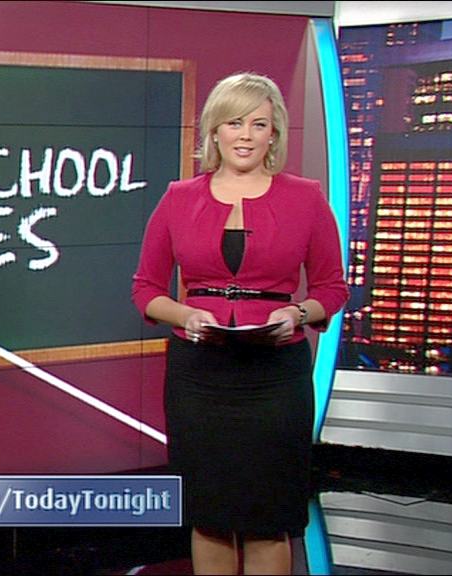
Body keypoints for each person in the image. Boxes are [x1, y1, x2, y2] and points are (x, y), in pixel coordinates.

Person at [131, 72, 349, 575]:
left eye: (258, 124)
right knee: (209, 516)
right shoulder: (178, 197)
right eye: (234, 123)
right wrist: (187, 315)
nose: (245, 136)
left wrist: (296, 313)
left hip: (274, 377)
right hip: (199, 377)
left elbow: (331, 289)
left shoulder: (306, 198)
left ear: (275, 134)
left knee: (267, 519)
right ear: (215, 131)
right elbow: (146, 290)